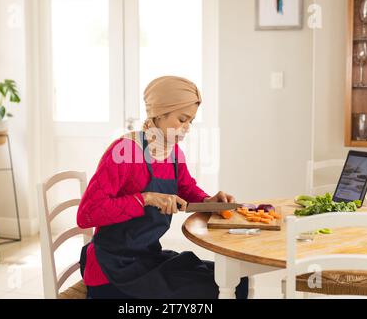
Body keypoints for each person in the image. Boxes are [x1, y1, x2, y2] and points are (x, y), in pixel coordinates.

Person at [77, 76, 248, 299]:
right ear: (158, 115)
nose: (187, 128)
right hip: (112, 270)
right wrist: (146, 198)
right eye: (182, 119)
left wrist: (209, 202)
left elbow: (186, 188)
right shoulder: (124, 153)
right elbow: (87, 214)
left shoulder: (173, 153)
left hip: (147, 258)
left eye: (191, 121)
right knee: (213, 290)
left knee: (235, 280)